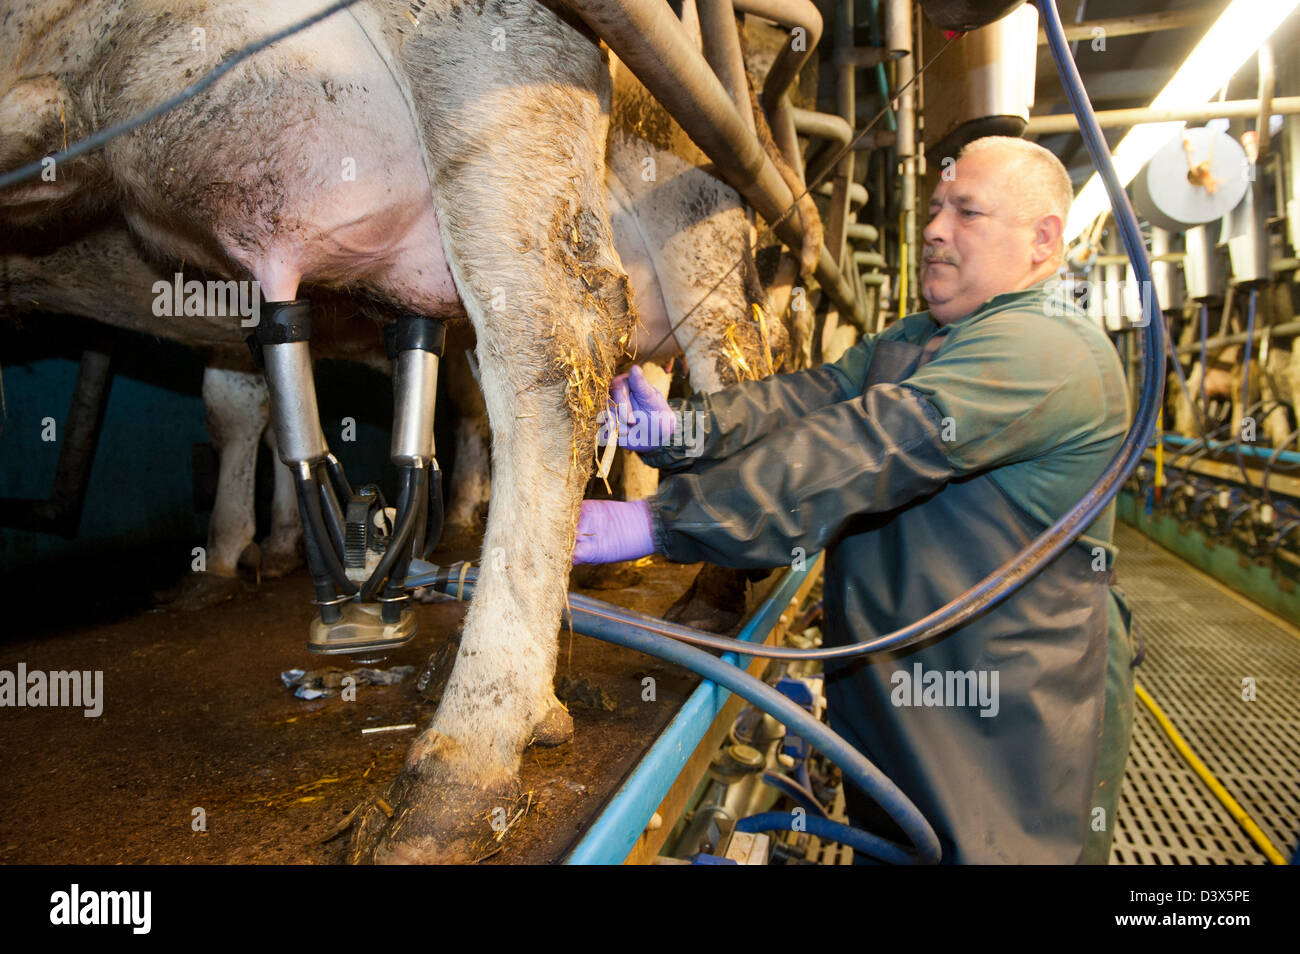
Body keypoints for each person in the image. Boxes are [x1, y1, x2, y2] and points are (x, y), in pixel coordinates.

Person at [573, 135, 1138, 864]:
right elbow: (817, 400)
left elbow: (870, 445)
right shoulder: (921, 337)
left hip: (1010, 732)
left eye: (967, 211)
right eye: (936, 208)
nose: (935, 228)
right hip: (903, 710)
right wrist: (686, 430)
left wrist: (662, 520)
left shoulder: (1049, 351)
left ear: (1042, 239)